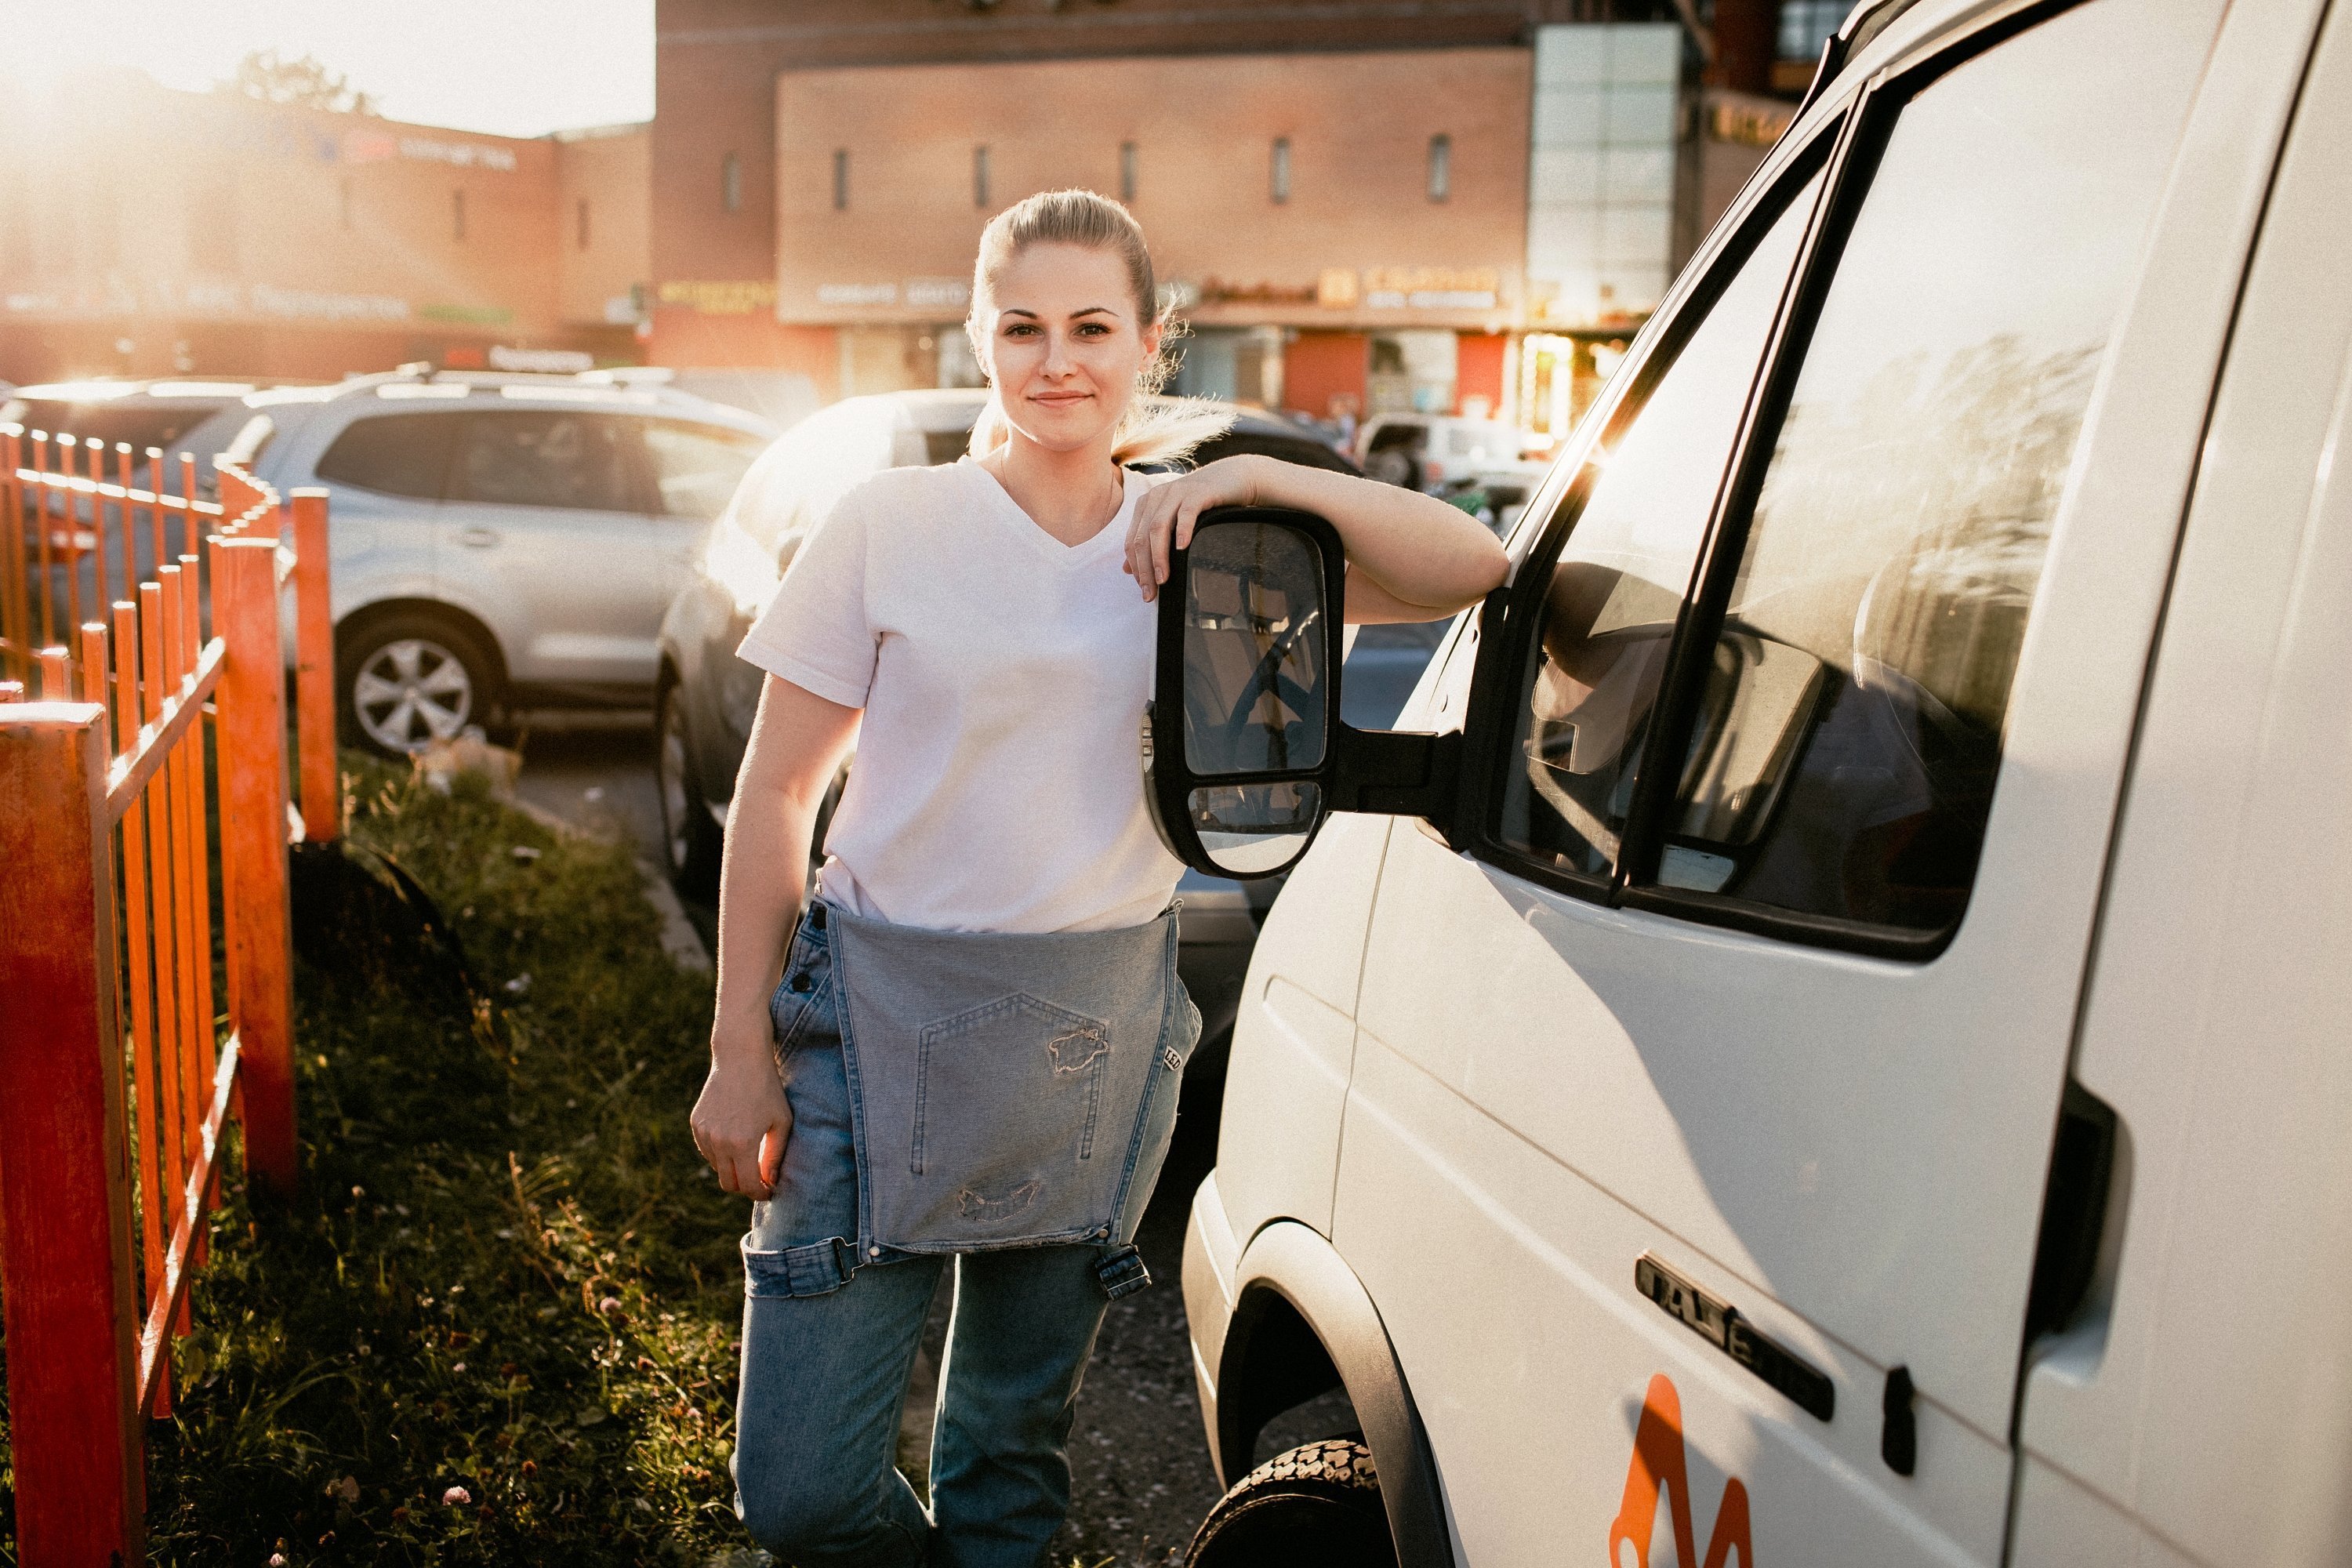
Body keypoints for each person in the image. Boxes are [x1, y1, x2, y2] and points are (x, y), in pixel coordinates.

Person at [690, 187, 1506, 1567]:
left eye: (1089, 326)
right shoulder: (890, 524)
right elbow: (775, 795)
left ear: (1148, 343)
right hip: (864, 1031)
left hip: (1090, 1035)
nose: (1054, 358)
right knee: (802, 1493)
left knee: (1008, 1460)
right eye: (1021, 326)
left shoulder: (1211, 551)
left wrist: (1256, 484)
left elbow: (1471, 564)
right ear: (978, 338)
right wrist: (738, 1049)